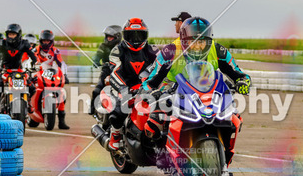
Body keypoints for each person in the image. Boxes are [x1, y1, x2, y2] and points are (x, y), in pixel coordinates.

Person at [141, 16, 251, 140]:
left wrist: (243, 82)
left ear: (208, 42)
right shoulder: (170, 51)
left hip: (207, 88)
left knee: (235, 118)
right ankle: (157, 147)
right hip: (173, 87)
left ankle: (225, 146)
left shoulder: (218, 51)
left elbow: (240, 75)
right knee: (154, 122)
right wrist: (152, 91)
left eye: (201, 42)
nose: (198, 47)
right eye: (193, 42)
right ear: (184, 41)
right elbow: (149, 81)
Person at [107, 18, 157, 151]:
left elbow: (160, 68)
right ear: (125, 36)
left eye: (139, 35)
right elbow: (115, 72)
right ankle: (115, 134)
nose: (136, 39)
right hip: (123, 85)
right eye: (132, 35)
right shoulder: (117, 50)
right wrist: (123, 89)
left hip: (145, 86)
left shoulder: (152, 50)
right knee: (120, 108)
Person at [32, 29, 69, 129]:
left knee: (62, 92)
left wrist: (64, 75)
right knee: (31, 88)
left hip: (50, 73)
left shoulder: (55, 51)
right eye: (44, 41)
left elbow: (61, 63)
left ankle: (61, 121)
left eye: (47, 41)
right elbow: (32, 60)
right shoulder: (36, 50)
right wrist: (33, 68)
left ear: (51, 41)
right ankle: (28, 108)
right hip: (38, 72)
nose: (46, 43)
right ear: (41, 41)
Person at [90, 25, 122, 115]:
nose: (108, 38)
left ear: (117, 37)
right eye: (107, 36)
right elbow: (98, 55)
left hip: (119, 71)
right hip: (106, 70)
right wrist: (96, 61)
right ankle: (92, 108)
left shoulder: (122, 47)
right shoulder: (103, 46)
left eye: (111, 37)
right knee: (97, 90)